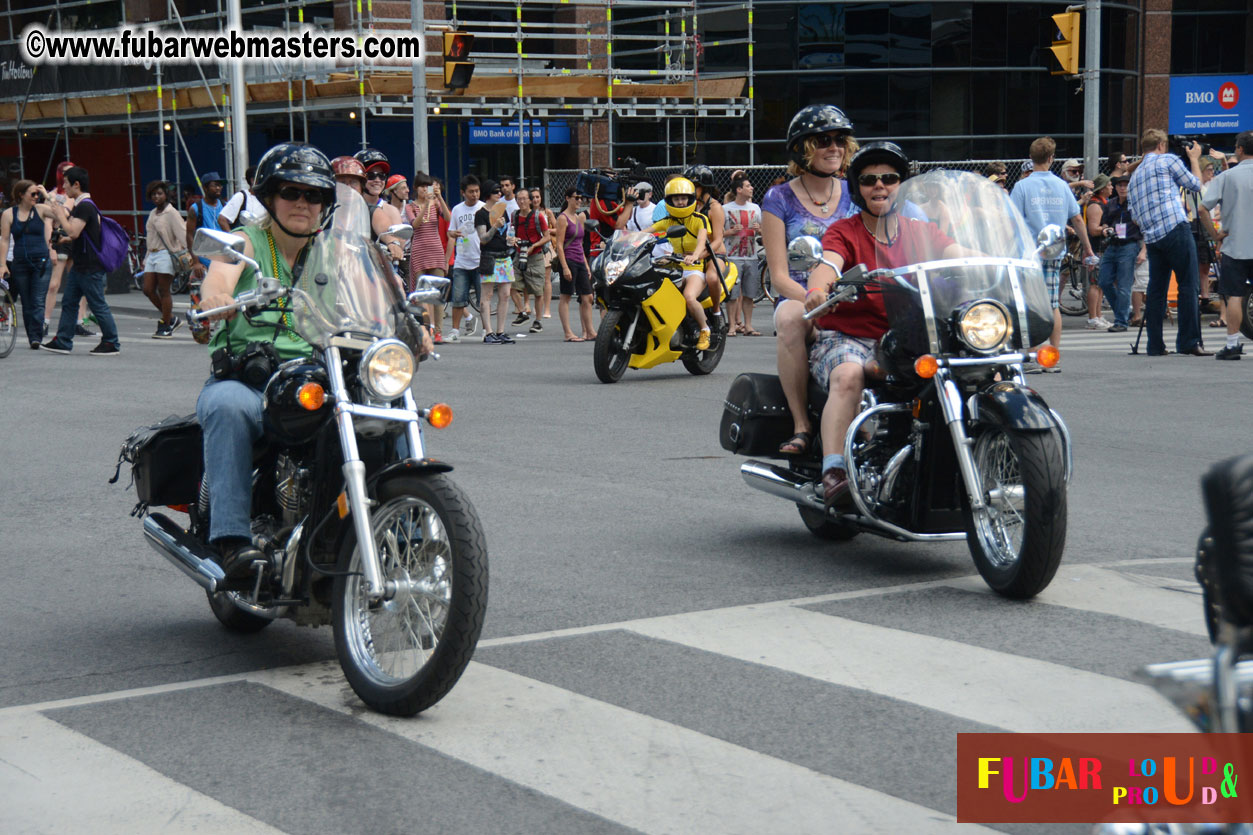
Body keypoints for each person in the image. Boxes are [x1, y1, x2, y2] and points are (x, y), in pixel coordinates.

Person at [804, 142, 977, 507]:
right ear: (858, 188)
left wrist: (997, 261)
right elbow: (829, 263)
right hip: (849, 336)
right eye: (869, 180)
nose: (879, 186)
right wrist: (818, 288)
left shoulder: (920, 231)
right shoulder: (844, 231)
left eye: (889, 178)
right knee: (849, 375)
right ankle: (834, 470)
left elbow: (957, 254)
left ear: (902, 185)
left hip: (906, 336)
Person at [193, 144, 327, 578]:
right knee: (227, 407)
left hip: (318, 380)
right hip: (254, 381)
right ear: (270, 196)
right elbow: (221, 273)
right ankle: (232, 541)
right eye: (292, 191)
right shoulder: (245, 240)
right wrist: (217, 295)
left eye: (315, 195)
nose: (303, 203)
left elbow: (377, 295)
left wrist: (410, 321)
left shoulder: (335, 250)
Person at [762, 104, 858, 457]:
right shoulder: (778, 198)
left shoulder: (857, 193)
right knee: (789, 319)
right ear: (803, 149)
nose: (833, 147)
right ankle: (801, 425)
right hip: (800, 297)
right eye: (822, 140)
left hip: (851, 295)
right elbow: (778, 276)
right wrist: (814, 300)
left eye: (839, 140)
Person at [1009, 136, 1098, 360]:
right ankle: (1053, 353)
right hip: (1055, 248)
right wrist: (1087, 248)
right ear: (1051, 158)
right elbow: (1077, 219)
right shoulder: (1061, 185)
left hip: (1029, 251)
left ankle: (1030, 354)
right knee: (1052, 304)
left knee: (1030, 304)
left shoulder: (1022, 186)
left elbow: (1012, 221)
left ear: (1031, 157)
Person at [1127, 128, 1214, 356]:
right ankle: (1188, 341)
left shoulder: (1133, 178)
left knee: (1156, 290)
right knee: (1188, 284)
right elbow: (1195, 184)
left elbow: (1134, 217)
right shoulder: (1167, 160)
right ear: (1161, 145)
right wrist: (1194, 159)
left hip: (1153, 238)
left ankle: (1155, 345)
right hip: (1175, 227)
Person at [37, 166, 121, 356]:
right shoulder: (83, 205)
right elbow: (81, 234)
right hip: (81, 264)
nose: (64, 187)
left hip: (89, 266)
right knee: (69, 302)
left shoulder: (85, 206)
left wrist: (59, 216)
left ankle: (111, 342)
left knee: (98, 304)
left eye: (66, 183)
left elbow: (73, 231)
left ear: (76, 184)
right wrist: (64, 239)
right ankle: (63, 340)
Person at [1202, 130, 1253, 360]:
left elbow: (1203, 208)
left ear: (1240, 149)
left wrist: (1215, 235)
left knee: (1234, 295)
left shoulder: (1227, 177)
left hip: (1235, 244)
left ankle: (1232, 344)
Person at [651, 177, 715, 350]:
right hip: (676, 266)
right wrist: (621, 239)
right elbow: (645, 233)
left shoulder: (699, 219)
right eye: (676, 199)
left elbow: (702, 240)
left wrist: (695, 256)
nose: (680, 202)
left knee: (689, 297)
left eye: (683, 198)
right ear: (670, 201)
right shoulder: (668, 221)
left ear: (690, 199)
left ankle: (704, 329)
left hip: (694, 267)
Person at [0, 179, 53, 349]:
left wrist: (47, 196)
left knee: (37, 300)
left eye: (38, 194)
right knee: (27, 301)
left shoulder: (42, 209)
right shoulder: (9, 214)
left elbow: (62, 214)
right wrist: (2, 264)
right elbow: (5, 240)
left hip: (41, 261)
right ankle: (33, 336)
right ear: (21, 195)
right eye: (33, 193)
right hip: (20, 262)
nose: (36, 197)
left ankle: (36, 337)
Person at [43, 160, 91, 338]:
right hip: (60, 239)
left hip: (72, 239)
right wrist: (51, 247)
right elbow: (49, 223)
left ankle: (79, 321)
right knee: (54, 284)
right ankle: (45, 322)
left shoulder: (76, 198)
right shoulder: (54, 195)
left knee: (79, 283)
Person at [405, 172, 452, 342]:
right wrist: (426, 205)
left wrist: (440, 198)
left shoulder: (437, 204)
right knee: (421, 293)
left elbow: (448, 218)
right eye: (422, 186)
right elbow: (415, 224)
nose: (425, 189)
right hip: (419, 250)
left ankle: (438, 331)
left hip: (435, 249)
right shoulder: (410, 206)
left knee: (437, 293)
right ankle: (425, 329)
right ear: (415, 188)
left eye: (428, 186)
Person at [1095, 175, 1144, 333]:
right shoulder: (1111, 204)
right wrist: (1105, 229)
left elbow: (1145, 228)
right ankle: (1123, 313)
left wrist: (1143, 250)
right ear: (1115, 188)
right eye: (1119, 185)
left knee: (1124, 285)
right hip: (1113, 243)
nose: (1122, 188)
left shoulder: (1136, 205)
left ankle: (1121, 321)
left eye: (1125, 185)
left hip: (1129, 245)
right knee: (1103, 280)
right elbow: (1105, 222)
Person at [141, 180, 187, 338]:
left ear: (166, 195)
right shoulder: (153, 213)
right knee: (147, 289)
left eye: (159, 193)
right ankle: (171, 318)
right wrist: (146, 258)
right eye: (153, 194)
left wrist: (192, 254)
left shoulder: (171, 213)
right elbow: (150, 237)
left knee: (164, 290)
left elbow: (183, 232)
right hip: (152, 254)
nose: (156, 197)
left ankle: (166, 324)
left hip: (166, 254)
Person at [684, 164, 729, 322]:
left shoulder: (714, 208)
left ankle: (716, 312)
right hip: (693, 252)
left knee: (711, 277)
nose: (688, 191)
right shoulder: (688, 205)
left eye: (693, 186)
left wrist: (701, 255)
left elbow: (717, 240)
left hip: (714, 253)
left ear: (704, 187)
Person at [475, 179, 516, 344]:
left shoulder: (503, 210)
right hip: (489, 256)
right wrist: (494, 226)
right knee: (487, 295)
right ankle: (488, 332)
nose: (500, 193)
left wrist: (511, 240)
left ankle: (500, 331)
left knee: (505, 294)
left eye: (500, 191)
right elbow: (483, 239)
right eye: (495, 191)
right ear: (488, 194)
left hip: (504, 255)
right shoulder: (481, 214)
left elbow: (504, 233)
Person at [723, 174, 763, 336]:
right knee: (732, 294)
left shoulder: (755, 208)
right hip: (733, 257)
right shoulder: (725, 209)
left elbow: (763, 230)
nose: (751, 188)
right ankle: (732, 325)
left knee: (749, 293)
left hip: (751, 255)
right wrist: (730, 232)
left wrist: (759, 230)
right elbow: (717, 234)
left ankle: (748, 325)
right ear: (739, 190)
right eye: (748, 186)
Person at [554, 186, 595, 341]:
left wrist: (586, 264)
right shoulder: (562, 218)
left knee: (588, 297)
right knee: (566, 296)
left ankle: (590, 331)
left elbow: (579, 243)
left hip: (579, 259)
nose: (579, 201)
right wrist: (564, 267)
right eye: (576, 197)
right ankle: (568, 332)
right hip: (569, 260)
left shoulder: (578, 218)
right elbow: (559, 244)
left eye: (580, 198)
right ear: (567, 198)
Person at [447, 174, 483, 340]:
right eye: (471, 192)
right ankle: (455, 331)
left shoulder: (484, 208)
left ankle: (487, 329)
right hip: (462, 260)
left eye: (477, 191)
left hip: (481, 260)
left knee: (484, 299)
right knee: (458, 298)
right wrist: (453, 233)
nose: (475, 194)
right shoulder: (457, 209)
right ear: (463, 192)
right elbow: (450, 231)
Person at [511, 187, 550, 334]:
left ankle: (538, 321)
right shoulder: (514, 215)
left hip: (535, 256)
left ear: (529, 200)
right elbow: (511, 232)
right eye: (519, 199)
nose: (521, 202)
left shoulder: (538, 216)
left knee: (538, 291)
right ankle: (522, 312)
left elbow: (546, 236)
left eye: (524, 199)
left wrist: (534, 245)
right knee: (512, 285)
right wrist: (512, 240)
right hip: (519, 253)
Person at [1083, 173, 1115, 330]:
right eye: (1109, 185)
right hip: (1097, 249)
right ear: (1102, 189)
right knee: (1095, 283)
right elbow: (1093, 229)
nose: (1112, 187)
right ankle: (1092, 318)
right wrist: (1105, 228)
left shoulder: (1104, 203)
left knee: (1101, 283)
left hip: (1104, 248)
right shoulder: (1095, 206)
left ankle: (1099, 315)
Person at [186, 171, 225, 285]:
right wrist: (196, 262)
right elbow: (189, 235)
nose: (218, 188)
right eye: (215, 185)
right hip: (203, 262)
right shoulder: (196, 208)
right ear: (205, 188)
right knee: (202, 298)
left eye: (220, 185)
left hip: (222, 260)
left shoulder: (225, 205)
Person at [530, 186, 557, 319]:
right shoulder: (526, 213)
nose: (535, 199)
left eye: (537, 197)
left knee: (546, 279)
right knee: (532, 279)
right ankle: (530, 306)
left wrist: (546, 230)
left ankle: (546, 309)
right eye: (533, 197)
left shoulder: (547, 212)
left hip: (546, 247)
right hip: (532, 247)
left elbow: (557, 229)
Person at [374, 174, 409, 267]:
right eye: (403, 188)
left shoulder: (411, 208)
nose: (407, 191)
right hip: (385, 257)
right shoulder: (382, 208)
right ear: (394, 191)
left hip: (408, 256)